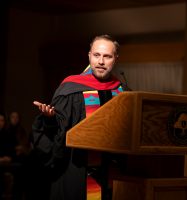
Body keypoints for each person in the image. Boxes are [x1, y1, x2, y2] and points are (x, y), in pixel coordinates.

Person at [29, 34, 129, 200]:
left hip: (111, 172)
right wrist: (50, 119)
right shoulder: (71, 88)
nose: (101, 62)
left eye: (107, 56)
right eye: (96, 55)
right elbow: (58, 134)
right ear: (89, 55)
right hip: (76, 170)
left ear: (116, 58)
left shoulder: (122, 92)